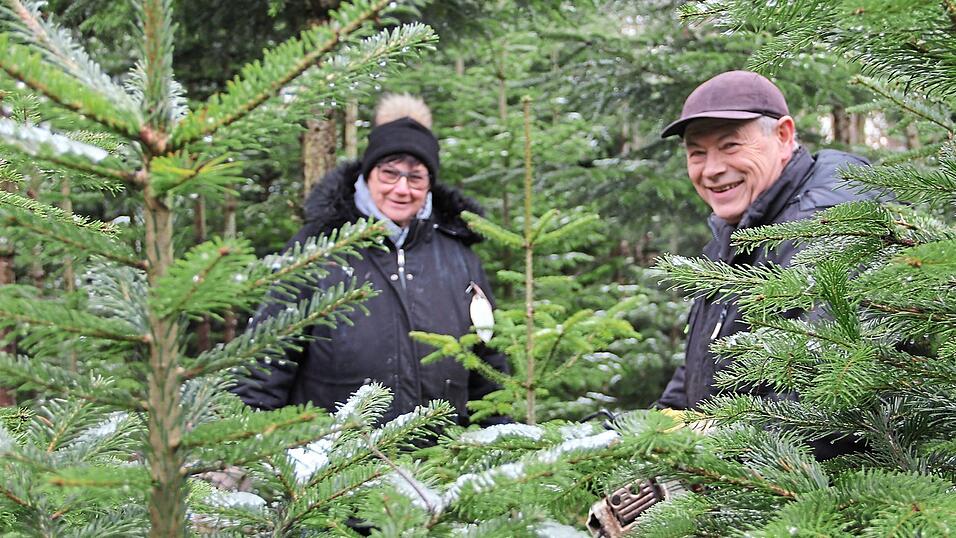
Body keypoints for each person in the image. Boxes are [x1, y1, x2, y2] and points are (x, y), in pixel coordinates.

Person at [234, 94, 508, 426]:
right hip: (335, 467)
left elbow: (488, 361)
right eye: (389, 174)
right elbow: (267, 356)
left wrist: (499, 438)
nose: (402, 189)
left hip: (443, 465)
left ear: (430, 183)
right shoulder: (319, 247)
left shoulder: (460, 256)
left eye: (415, 177)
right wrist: (242, 442)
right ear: (368, 175)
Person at [655, 70, 872, 458]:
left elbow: (818, 398)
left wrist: (696, 470)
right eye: (697, 153)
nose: (712, 169)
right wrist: (648, 436)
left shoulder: (826, 228)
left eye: (731, 145)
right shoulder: (742, 231)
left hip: (826, 503)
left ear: (784, 136)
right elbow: (705, 362)